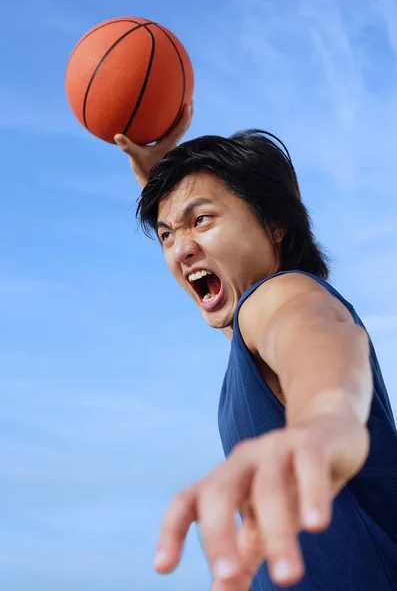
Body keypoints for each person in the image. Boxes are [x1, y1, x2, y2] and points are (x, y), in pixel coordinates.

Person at [114, 106, 397, 591]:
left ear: (275, 225)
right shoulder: (245, 340)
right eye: (166, 235)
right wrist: (160, 173)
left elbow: (313, 337)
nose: (179, 248)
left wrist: (324, 417)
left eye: (201, 219)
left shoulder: (282, 295)